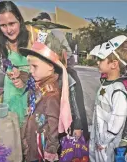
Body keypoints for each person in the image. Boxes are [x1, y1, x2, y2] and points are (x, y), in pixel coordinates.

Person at [32, 12, 89, 141]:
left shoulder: (54, 32)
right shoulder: (41, 34)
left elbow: (66, 53)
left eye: (40, 23)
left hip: (61, 69)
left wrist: (78, 126)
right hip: (52, 70)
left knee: (70, 100)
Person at [0, 1, 36, 125]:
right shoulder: (1, 43)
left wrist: (25, 77)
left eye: (12, 24)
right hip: (11, 98)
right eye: (3, 25)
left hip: (31, 98)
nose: (9, 30)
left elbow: (45, 67)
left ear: (19, 20)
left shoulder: (33, 38)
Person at [19, 33, 71, 162]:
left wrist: (51, 150)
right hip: (33, 142)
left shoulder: (51, 94)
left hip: (41, 151)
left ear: (50, 66)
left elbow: (53, 125)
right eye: (30, 66)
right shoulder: (39, 85)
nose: (31, 71)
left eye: (34, 67)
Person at [89, 35, 127, 162]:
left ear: (114, 64)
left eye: (101, 59)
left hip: (106, 143)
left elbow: (117, 120)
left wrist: (105, 141)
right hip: (97, 136)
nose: (98, 62)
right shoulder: (105, 84)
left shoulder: (118, 90)